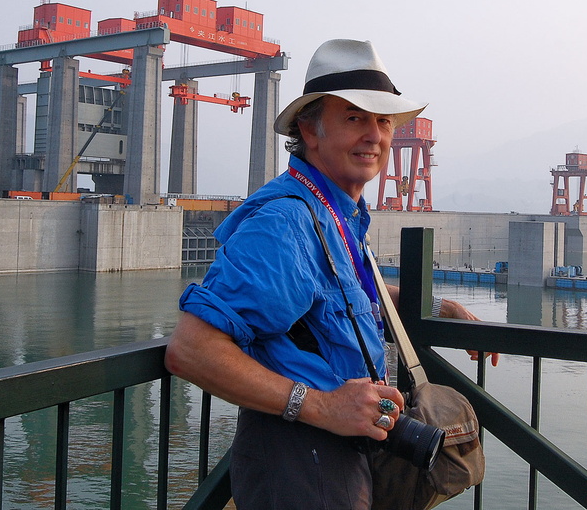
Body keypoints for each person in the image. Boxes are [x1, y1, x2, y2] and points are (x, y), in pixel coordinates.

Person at [165, 38, 497, 510]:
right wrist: (321, 406)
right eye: (355, 118)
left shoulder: (337, 211)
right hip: (298, 458)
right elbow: (191, 350)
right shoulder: (286, 222)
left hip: (340, 450)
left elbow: (342, 299)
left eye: (383, 121)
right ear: (310, 130)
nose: (374, 135)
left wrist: (439, 308)